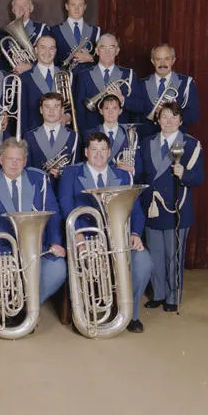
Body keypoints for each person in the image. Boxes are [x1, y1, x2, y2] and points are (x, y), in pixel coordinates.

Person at [58, 132, 153, 333]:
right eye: (94, 149)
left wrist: (135, 234)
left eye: (103, 150)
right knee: (85, 262)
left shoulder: (122, 176)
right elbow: (66, 207)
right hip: (87, 237)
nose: (99, 154)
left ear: (109, 152)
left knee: (144, 262)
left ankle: (130, 314)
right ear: (86, 152)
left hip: (120, 238)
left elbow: (136, 211)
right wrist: (76, 234)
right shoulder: (70, 174)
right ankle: (85, 316)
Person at [0, 138, 66, 315]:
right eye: (10, 159)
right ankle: (3, 307)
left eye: (18, 159)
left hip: (37, 248)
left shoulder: (40, 179)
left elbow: (53, 213)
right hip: (0, 248)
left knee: (58, 269)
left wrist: (55, 242)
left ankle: (26, 308)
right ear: (1, 160)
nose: (14, 164)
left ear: (25, 161)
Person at [138, 102, 204, 313]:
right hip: (152, 207)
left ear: (180, 121)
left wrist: (184, 173)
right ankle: (158, 294)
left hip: (177, 209)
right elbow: (141, 174)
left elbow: (199, 177)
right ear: (158, 120)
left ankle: (173, 296)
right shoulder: (146, 143)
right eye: (164, 117)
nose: (168, 121)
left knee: (173, 256)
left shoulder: (191, 145)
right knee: (155, 254)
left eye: (173, 117)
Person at [128, 43, 201, 139]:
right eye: (158, 59)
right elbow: (134, 116)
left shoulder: (186, 83)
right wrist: (153, 113)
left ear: (173, 60)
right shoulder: (141, 84)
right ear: (152, 61)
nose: (162, 63)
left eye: (167, 59)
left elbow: (193, 114)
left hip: (176, 140)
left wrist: (172, 114)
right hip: (147, 140)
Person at [74, 33, 135, 134]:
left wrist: (122, 99)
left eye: (111, 48)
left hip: (120, 134)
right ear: (97, 51)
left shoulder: (129, 74)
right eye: (103, 47)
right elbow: (80, 111)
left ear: (117, 51)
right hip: (92, 135)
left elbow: (140, 105)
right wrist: (84, 136)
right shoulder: (83, 75)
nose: (107, 52)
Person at [24, 92, 79, 188]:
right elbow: (27, 168)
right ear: (41, 110)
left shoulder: (73, 136)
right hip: (38, 188)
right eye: (47, 107)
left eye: (56, 107)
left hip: (64, 188)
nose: (51, 111)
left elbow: (76, 166)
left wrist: (62, 173)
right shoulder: (29, 136)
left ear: (62, 110)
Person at [84, 93, 143, 177]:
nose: (110, 112)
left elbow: (139, 167)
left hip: (123, 182)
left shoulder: (130, 134)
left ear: (120, 111)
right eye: (107, 108)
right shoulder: (90, 134)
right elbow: (84, 164)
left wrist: (131, 170)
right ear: (101, 111)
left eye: (114, 108)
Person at [19, 34, 66, 133]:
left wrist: (68, 117)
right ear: (35, 50)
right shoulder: (24, 78)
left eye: (51, 48)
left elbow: (72, 106)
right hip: (34, 133)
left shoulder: (66, 75)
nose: (47, 52)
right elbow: (22, 113)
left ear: (56, 51)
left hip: (62, 132)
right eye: (43, 48)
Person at [50, 0, 102, 71]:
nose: (77, 9)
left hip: (89, 79)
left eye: (80, 5)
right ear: (67, 6)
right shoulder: (55, 31)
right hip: (65, 79)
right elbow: (51, 59)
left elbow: (104, 57)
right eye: (73, 5)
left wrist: (91, 58)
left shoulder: (96, 31)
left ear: (85, 7)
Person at [1, 0, 48, 75]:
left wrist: (30, 66)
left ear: (31, 8)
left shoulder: (42, 29)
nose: (21, 8)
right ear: (13, 9)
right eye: (17, 5)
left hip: (36, 75)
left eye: (25, 5)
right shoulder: (3, 32)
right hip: (12, 77)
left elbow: (50, 56)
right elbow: (0, 60)